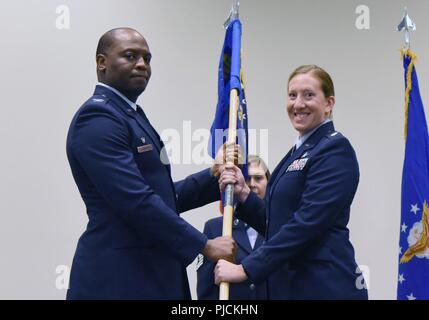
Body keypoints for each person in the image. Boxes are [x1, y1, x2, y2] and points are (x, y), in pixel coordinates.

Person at [66, 27, 238, 300]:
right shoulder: (97, 117)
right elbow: (135, 200)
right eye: (130, 56)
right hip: (120, 280)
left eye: (147, 58)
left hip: (151, 275)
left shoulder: (129, 115)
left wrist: (213, 176)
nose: (142, 65)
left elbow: (162, 197)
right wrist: (204, 245)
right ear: (102, 62)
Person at [215, 65, 368, 300]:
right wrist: (244, 194)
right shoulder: (299, 151)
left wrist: (246, 268)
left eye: (309, 95)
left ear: (329, 103)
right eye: (292, 95)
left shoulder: (335, 150)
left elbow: (306, 223)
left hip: (322, 288)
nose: (298, 104)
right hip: (291, 288)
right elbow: (277, 222)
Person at [197, 155, 270, 300]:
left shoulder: (281, 225)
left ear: (269, 183)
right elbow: (206, 290)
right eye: (247, 178)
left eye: (258, 178)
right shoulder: (216, 228)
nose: (252, 184)